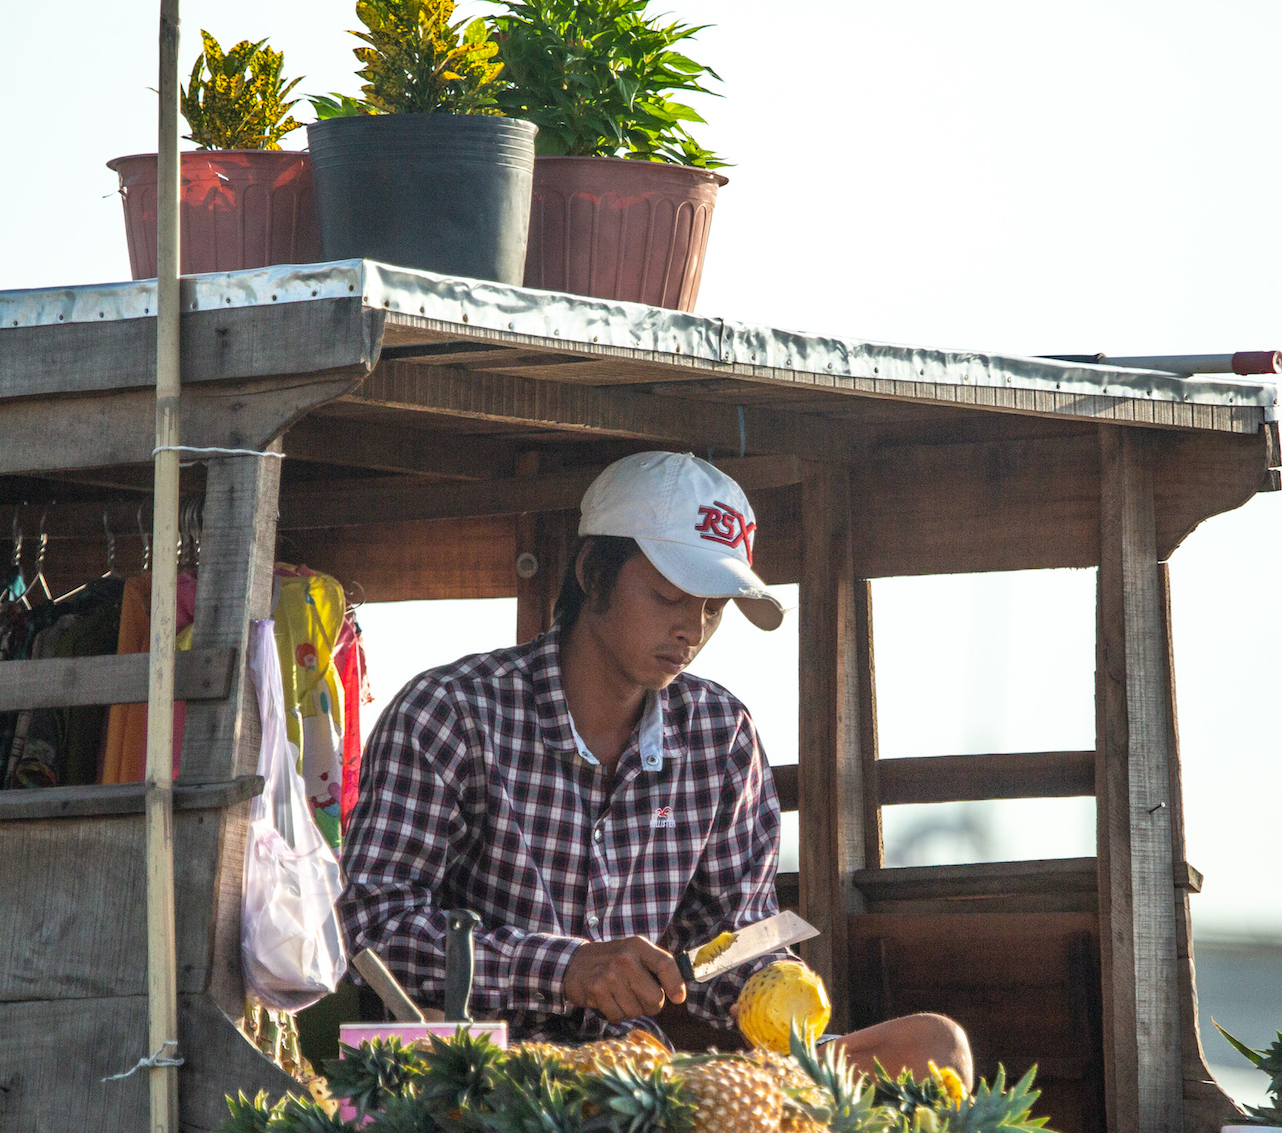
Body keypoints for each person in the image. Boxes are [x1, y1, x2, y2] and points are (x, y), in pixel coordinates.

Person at [337, 451, 971, 1084]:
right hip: (459, 1079)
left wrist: (787, 1010)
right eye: (669, 596)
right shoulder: (450, 712)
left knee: (937, 1046)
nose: (690, 630)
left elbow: (729, 946)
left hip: (634, 1085)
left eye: (713, 609)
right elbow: (368, 926)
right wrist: (564, 968)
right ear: (592, 570)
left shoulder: (721, 738)